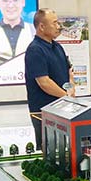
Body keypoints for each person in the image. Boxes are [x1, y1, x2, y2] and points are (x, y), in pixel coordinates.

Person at [25, 8, 74, 150]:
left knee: (65, 148)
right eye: (55, 23)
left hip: (63, 108)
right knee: (49, 151)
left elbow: (69, 72)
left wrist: (71, 90)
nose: (59, 26)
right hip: (44, 113)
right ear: (41, 26)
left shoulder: (57, 47)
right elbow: (44, 82)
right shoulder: (35, 50)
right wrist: (66, 96)